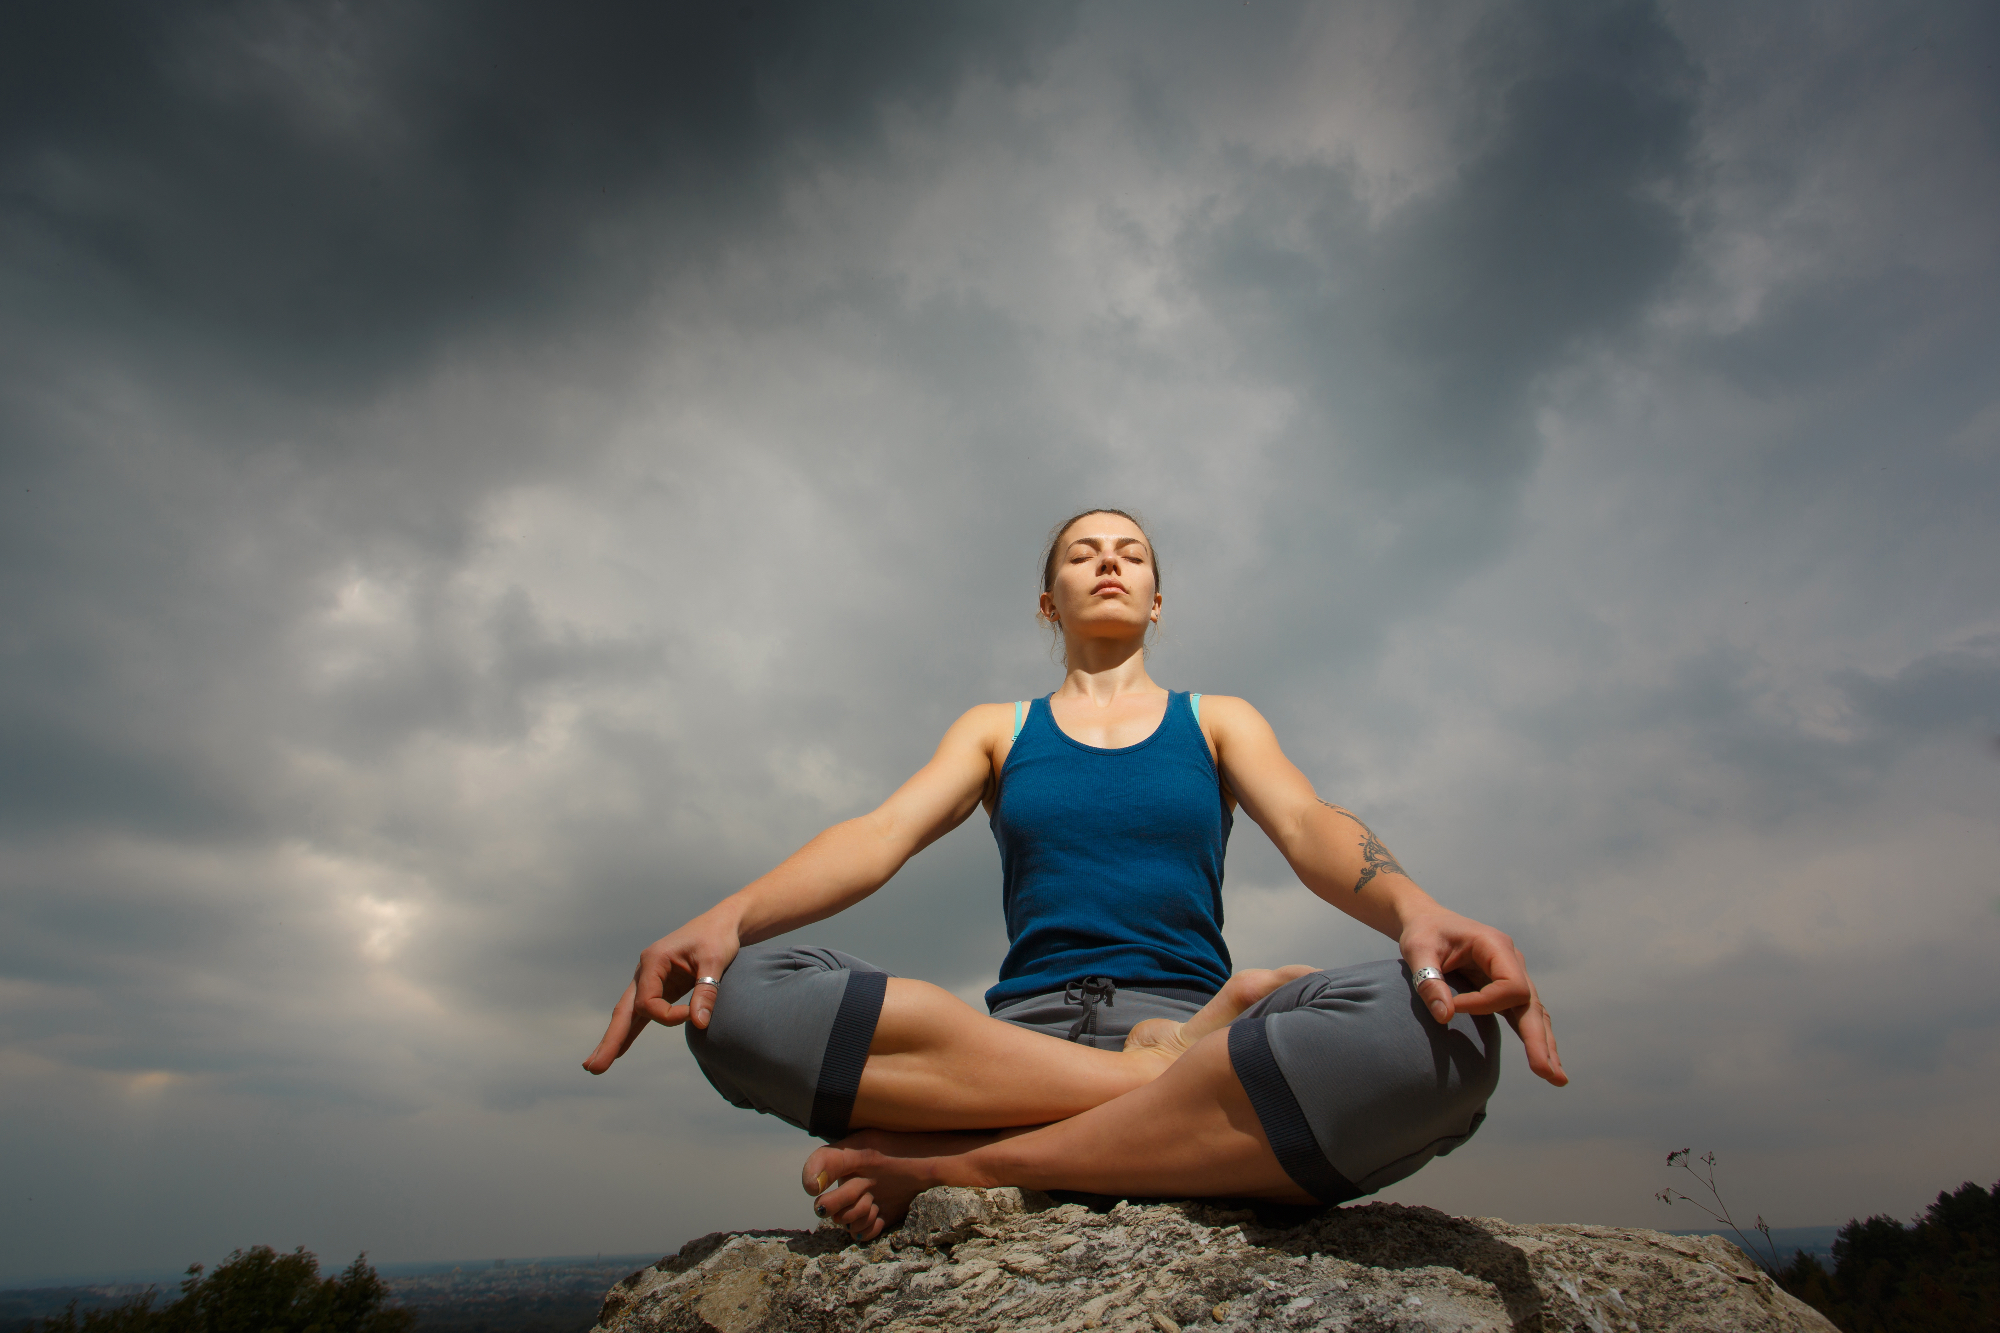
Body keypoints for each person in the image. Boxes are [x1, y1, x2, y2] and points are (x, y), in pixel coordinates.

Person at [584, 508, 1566, 1241]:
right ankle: (1141, 1099)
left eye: (1131, 551)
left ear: (1155, 599)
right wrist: (726, 917)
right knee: (737, 996)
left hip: (1189, 1020)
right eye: (1082, 550)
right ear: (1048, 601)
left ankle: (972, 1161)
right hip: (1030, 1043)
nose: (1109, 560)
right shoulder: (996, 728)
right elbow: (878, 833)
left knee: (1447, 1035)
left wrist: (1414, 910)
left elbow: (1310, 823)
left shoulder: (1215, 719)